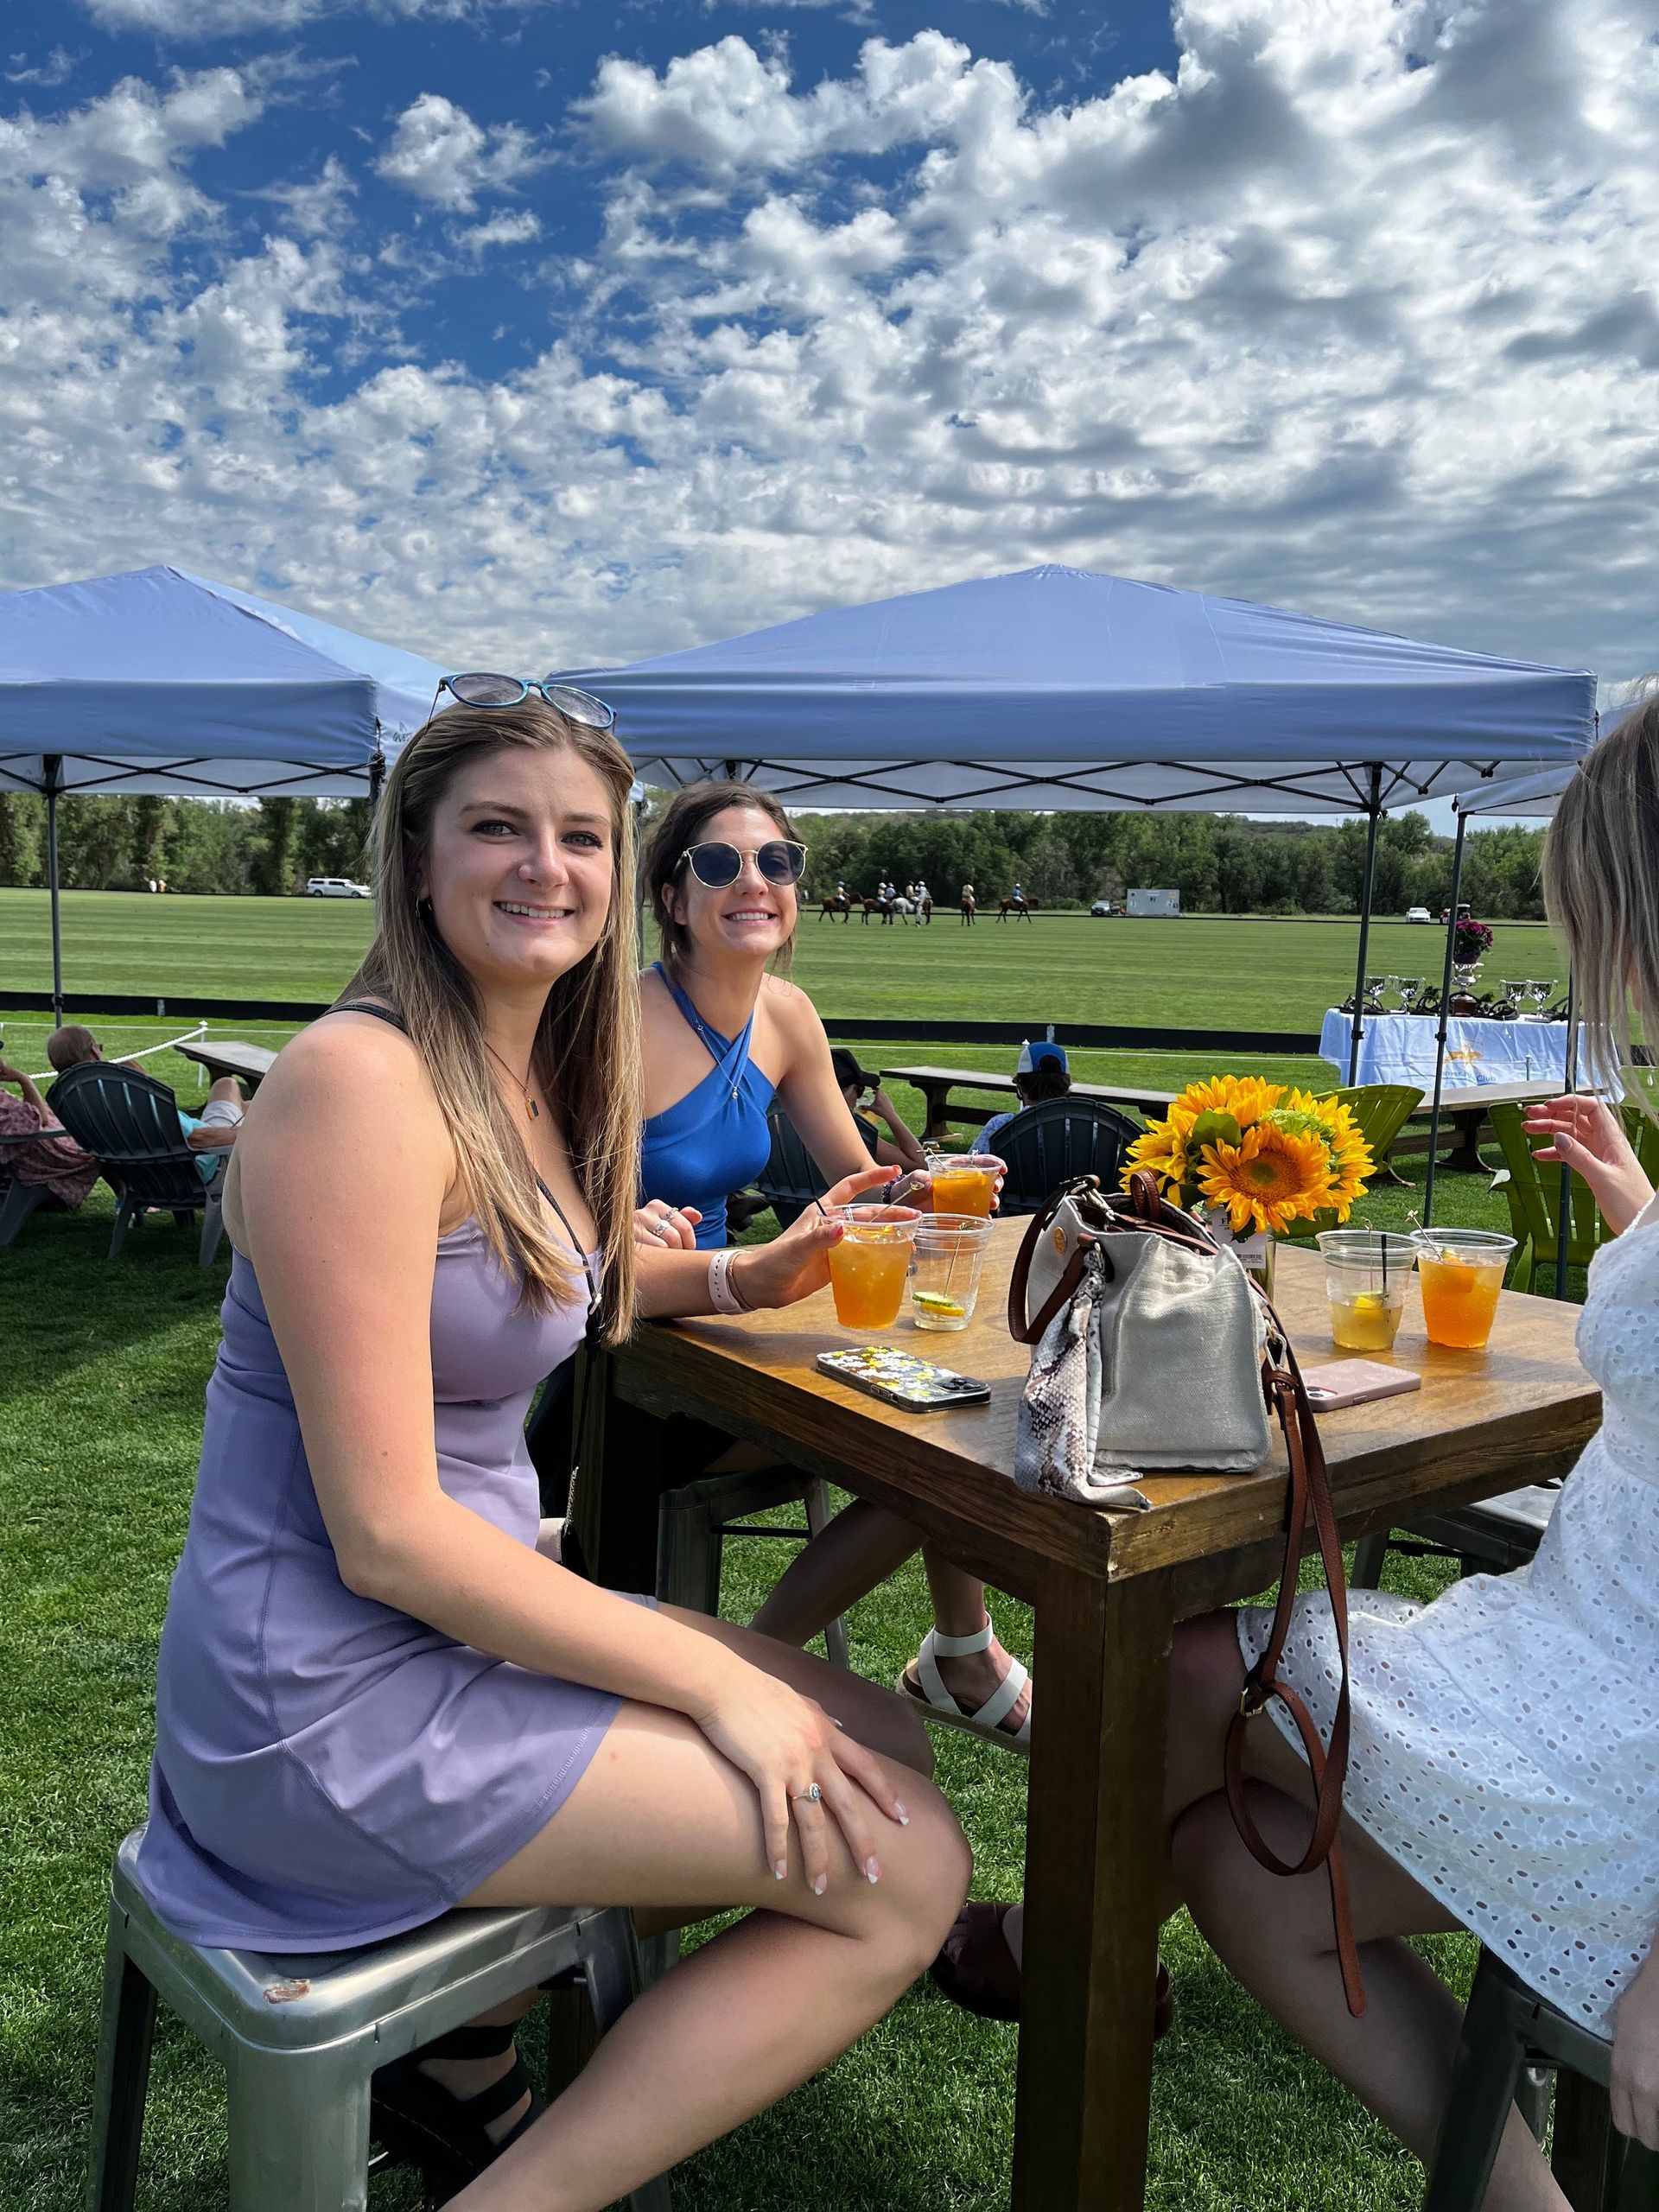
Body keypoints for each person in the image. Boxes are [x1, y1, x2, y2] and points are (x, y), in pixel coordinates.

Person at [135, 698, 970, 2210]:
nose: (548, 867)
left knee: (888, 1747)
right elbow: (385, 1534)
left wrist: (740, 1275)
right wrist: (714, 1678)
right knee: (905, 1861)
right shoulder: (355, 1083)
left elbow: (540, 1288)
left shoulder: (540, 1078)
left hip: (467, 1637)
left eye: (580, 835)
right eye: (498, 828)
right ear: (416, 853)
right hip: (326, 1699)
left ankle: (460, 2068)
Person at [936, 698, 1659, 2196]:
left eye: (1607, 923)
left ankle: (1064, 1948)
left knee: (1189, 1676)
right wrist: (1639, 1214)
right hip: (1574, 1640)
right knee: (1218, 1836)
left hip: (1621, 1731)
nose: (1617, 974)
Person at [636, 781, 1033, 1749]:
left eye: (777, 862)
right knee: (929, 1444)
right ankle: (739, 1675)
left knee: (953, 1408)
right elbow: (577, 1247)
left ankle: (952, 1649)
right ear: (670, 895)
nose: (756, 883)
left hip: (751, 1326)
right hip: (645, 1359)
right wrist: (723, 1262)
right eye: (721, 864)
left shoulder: (788, 1014)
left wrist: (927, 1189)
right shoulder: (615, 1018)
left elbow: (860, 1186)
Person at [45, 1024, 245, 1182]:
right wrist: (252, 1135)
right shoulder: (124, 1094)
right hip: (199, 1166)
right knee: (230, 1088)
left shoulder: (72, 1105)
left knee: (238, 1098)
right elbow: (199, 1139)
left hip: (144, 1177)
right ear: (94, 1053)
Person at [0, 1052, 102, 1210]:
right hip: (38, 1167)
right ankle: (127, 1199)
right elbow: (37, 1118)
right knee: (103, 1147)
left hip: (22, 1160)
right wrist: (23, 1079)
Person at [830, 1047, 927, 1173]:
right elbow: (919, 1164)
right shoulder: (850, 1129)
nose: (859, 1096)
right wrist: (890, 1115)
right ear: (840, 1093)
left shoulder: (799, 1118)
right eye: (859, 1089)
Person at [979, 1039, 1071, 1154]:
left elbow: (968, 1165)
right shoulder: (1089, 1129)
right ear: (1066, 1085)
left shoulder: (999, 1126)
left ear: (1020, 1082)